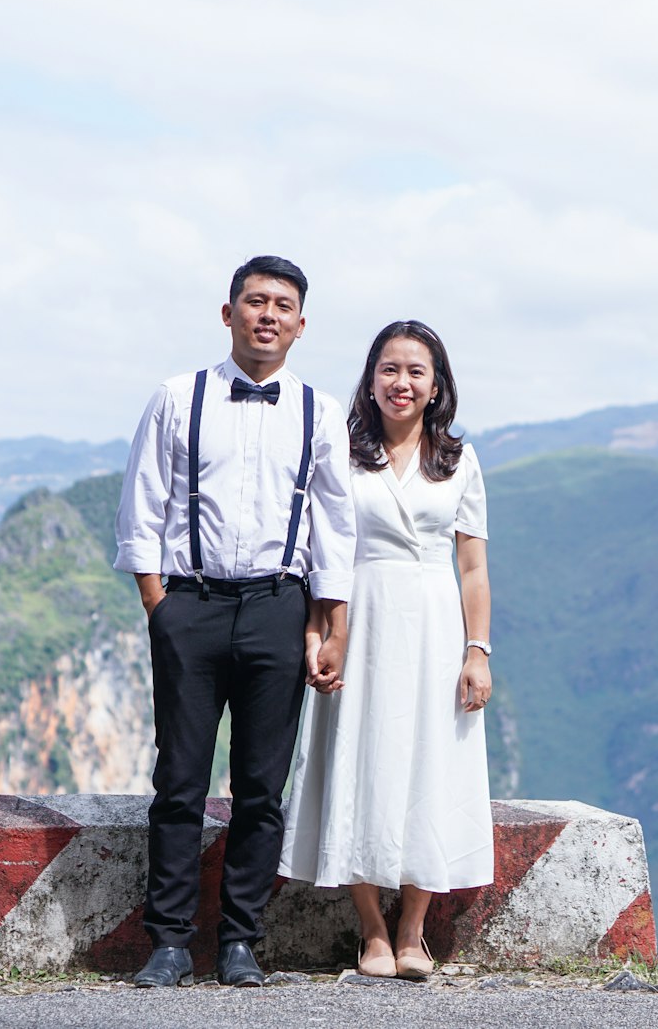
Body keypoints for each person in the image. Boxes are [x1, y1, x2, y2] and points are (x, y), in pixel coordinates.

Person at [113, 256, 355, 989]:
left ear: (301, 325)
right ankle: (171, 942)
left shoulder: (318, 409)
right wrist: (162, 607)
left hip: (278, 609)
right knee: (180, 780)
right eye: (255, 301)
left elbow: (334, 525)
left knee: (260, 786)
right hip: (190, 606)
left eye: (283, 305)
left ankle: (243, 941)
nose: (268, 315)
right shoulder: (177, 396)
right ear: (228, 314)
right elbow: (142, 502)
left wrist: (330, 625)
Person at [279, 319, 493, 979]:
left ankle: (413, 929)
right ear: (370, 382)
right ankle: (370, 928)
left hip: (434, 622)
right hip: (361, 619)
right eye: (389, 370)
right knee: (358, 756)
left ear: (437, 386)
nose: (402, 382)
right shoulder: (341, 454)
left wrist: (478, 649)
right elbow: (323, 555)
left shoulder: (458, 460)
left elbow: (474, 567)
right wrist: (320, 634)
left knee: (431, 761)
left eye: (416, 372)